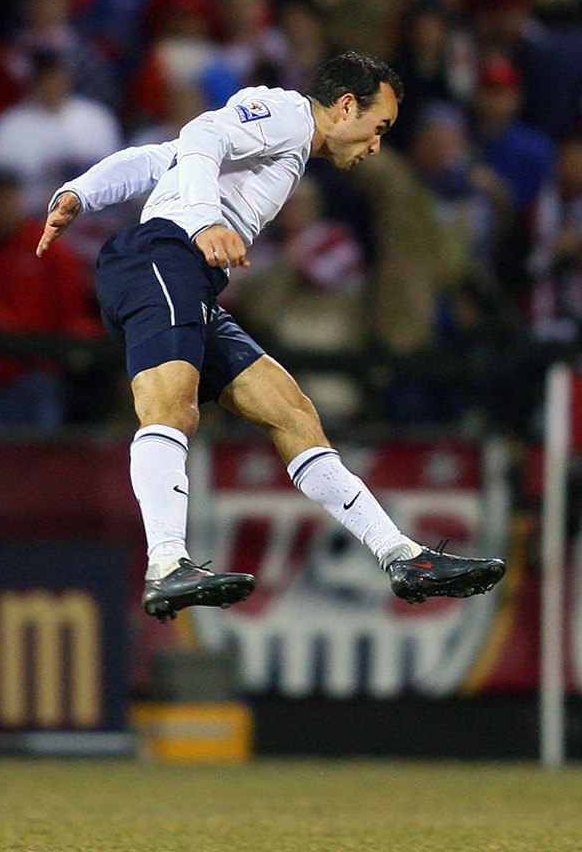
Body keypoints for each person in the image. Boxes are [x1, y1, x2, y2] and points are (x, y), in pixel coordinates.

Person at [36, 51, 506, 620]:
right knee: (170, 410)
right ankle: (165, 563)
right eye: (378, 128)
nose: (376, 144)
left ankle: (401, 556)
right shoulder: (286, 113)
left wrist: (81, 193)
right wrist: (207, 218)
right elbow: (201, 134)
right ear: (346, 106)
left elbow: (163, 157)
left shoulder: (285, 146)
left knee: (293, 413)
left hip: (188, 277)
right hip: (160, 258)